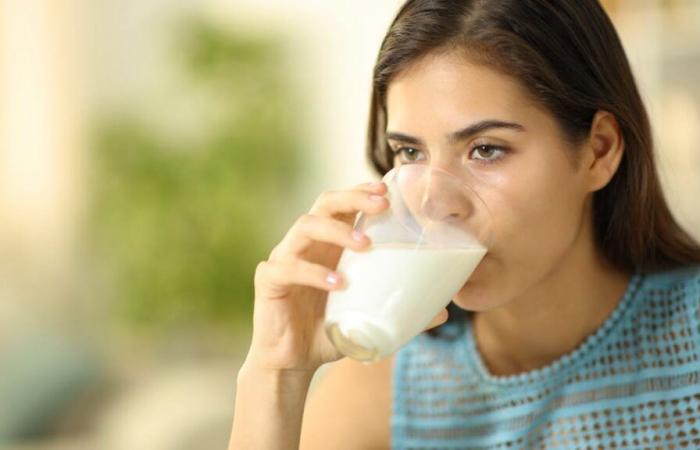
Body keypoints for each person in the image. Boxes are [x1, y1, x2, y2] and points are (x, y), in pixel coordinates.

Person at [228, 1, 700, 448]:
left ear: (599, 150)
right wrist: (275, 374)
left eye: (486, 149)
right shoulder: (387, 387)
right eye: (411, 153)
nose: (435, 204)